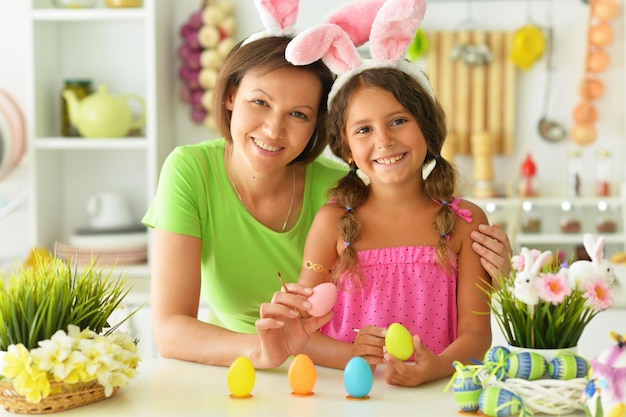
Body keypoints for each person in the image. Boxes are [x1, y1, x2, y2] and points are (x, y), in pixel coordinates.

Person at [143, 0, 512, 369]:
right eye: (259, 102)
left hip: (337, 374)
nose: (273, 129)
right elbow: (171, 331)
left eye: (298, 114)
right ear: (230, 96)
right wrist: (266, 349)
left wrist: (506, 283)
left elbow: (464, 321)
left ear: (319, 126)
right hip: (246, 367)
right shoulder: (191, 170)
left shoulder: (344, 195)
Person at [257, 0, 498, 386]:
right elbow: (303, 336)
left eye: (399, 121)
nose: (384, 141)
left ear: (428, 131)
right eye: (364, 130)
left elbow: (476, 336)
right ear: (347, 149)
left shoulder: (466, 224)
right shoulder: (333, 223)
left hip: (436, 400)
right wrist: (353, 353)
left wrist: (435, 367)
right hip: (348, 402)